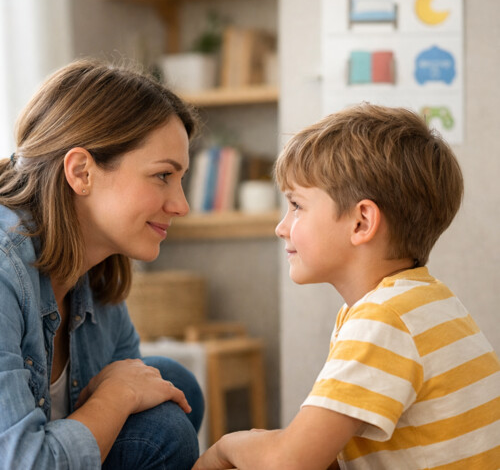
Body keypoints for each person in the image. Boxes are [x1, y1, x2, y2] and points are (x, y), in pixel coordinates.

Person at [193, 103, 500, 469]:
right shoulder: (425, 302)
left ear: (361, 222)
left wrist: (223, 448)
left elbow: (288, 464)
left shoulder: (383, 320)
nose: (281, 227)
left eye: (296, 205)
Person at [0, 58, 204, 469]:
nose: (181, 205)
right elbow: (24, 462)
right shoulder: (5, 270)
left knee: (171, 382)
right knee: (163, 431)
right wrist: (117, 395)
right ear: (81, 172)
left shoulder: (96, 271)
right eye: (163, 175)